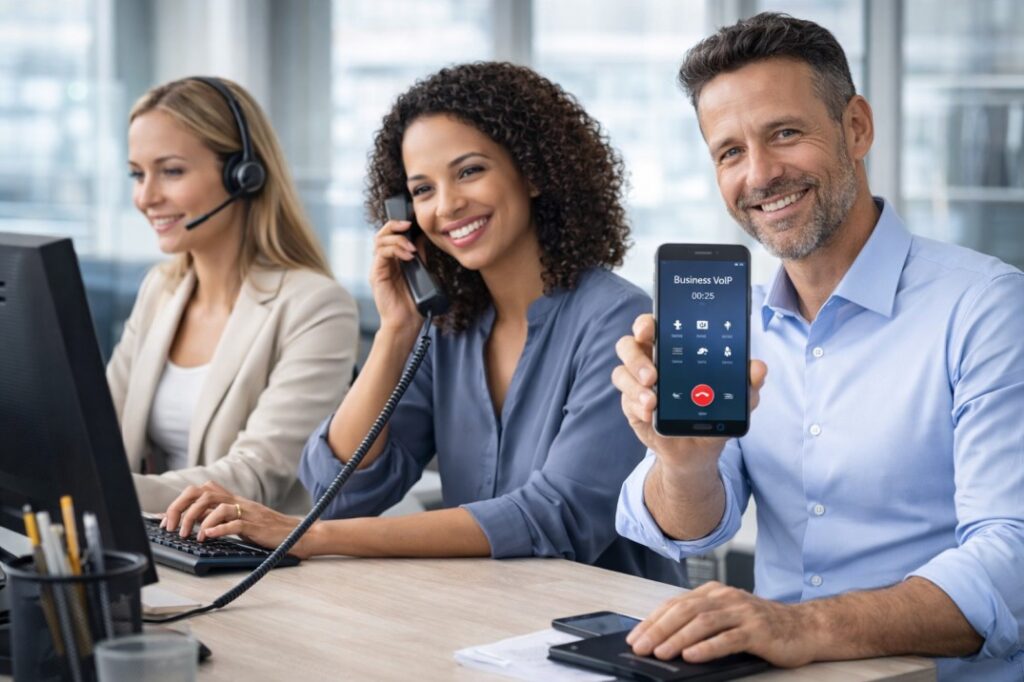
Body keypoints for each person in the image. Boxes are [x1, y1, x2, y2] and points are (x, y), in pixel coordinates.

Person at [611, 13, 1024, 680]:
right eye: (730, 153)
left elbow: (1013, 561)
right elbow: (687, 530)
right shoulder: (734, 320)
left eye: (784, 133)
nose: (760, 175)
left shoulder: (987, 308)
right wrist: (683, 464)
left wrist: (801, 625)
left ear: (855, 127)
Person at [161, 62, 687, 585]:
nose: (447, 206)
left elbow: (559, 516)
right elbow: (339, 492)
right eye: (422, 189)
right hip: (483, 620)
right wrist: (395, 331)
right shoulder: (445, 328)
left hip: (608, 634)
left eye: (469, 171)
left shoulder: (617, 318)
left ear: (532, 171)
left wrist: (309, 536)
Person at [111, 76, 359, 515]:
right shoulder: (160, 291)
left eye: (170, 171)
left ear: (244, 176)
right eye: (137, 174)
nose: (145, 197)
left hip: (249, 566)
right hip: (155, 551)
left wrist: (90, 492)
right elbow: (98, 431)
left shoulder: (316, 307)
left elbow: (255, 475)